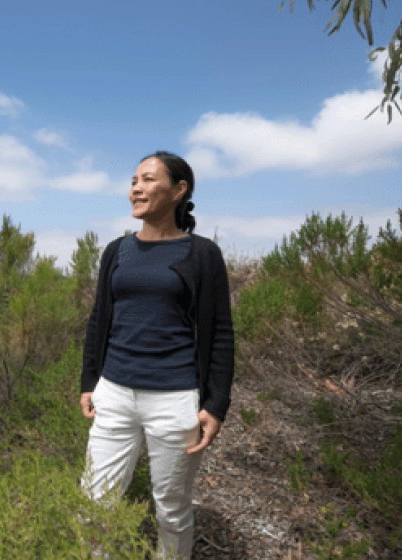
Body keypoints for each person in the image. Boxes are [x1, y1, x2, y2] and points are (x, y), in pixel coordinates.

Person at [78, 151, 235, 560]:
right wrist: (88, 382)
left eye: (148, 179)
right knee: (93, 504)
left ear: (179, 190)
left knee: (172, 510)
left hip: (175, 398)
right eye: (133, 180)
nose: (136, 187)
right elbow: (99, 319)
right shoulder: (117, 250)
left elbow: (220, 332)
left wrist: (215, 404)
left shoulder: (202, 254)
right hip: (113, 392)